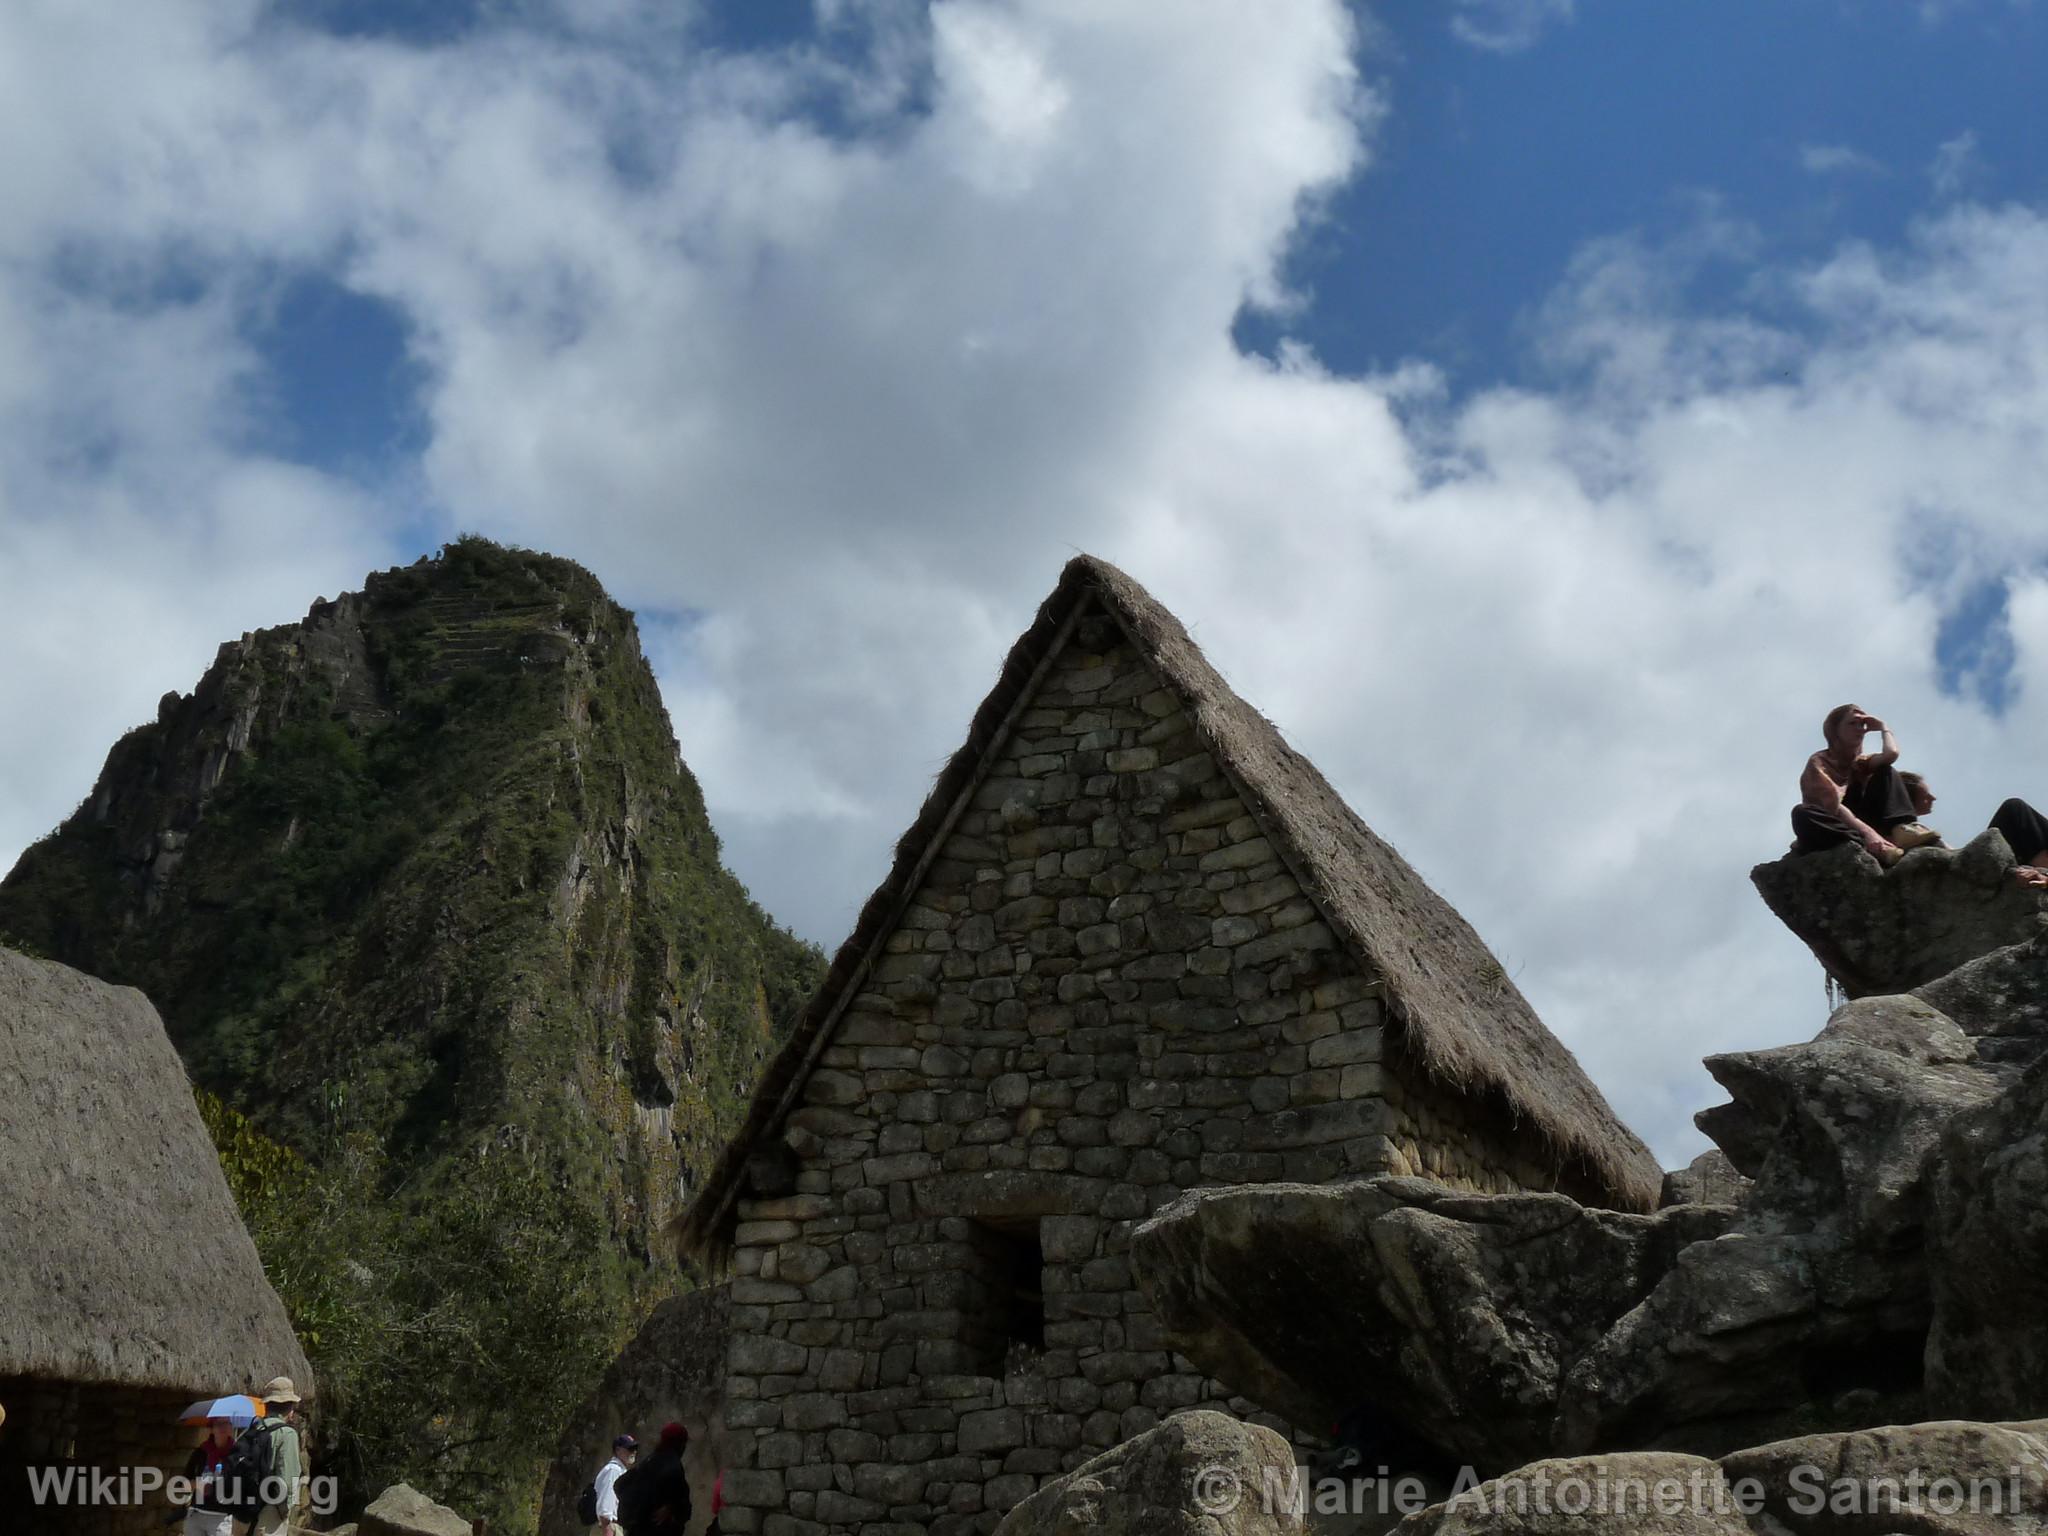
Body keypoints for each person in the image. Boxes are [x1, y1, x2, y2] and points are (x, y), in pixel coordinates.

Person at [1791, 705, 1938, 862]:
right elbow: (1834, 805)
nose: (1860, 729)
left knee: (1886, 770)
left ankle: (1901, 830)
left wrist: (1884, 728)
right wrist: (1868, 834)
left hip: (1864, 822)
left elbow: (1891, 754)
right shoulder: (1820, 762)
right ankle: (1874, 846)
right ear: (1835, 730)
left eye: (1862, 724)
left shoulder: (1860, 763)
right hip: (1840, 824)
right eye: (1852, 723)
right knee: (1802, 813)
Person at [616, 1421, 691, 1536]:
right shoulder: (673, 1466)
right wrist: (671, 1508)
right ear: (680, 1443)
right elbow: (683, 1507)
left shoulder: (649, 1461)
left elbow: (620, 1484)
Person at [252, 1377, 307, 1535]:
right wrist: (284, 1511)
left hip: (245, 1510)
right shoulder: (287, 1434)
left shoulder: (254, 1429)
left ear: (267, 1405)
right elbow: (287, 1480)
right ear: (290, 1407)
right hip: (270, 1511)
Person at [178, 1418, 240, 1536]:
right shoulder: (201, 1452)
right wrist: (196, 1485)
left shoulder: (237, 1454)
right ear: (211, 1429)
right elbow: (182, 1483)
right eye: (219, 1424)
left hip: (221, 1518)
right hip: (196, 1515)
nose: (223, 1427)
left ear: (231, 1428)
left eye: (227, 1423)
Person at [595, 1432, 638, 1535]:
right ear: (618, 1450)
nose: (633, 1452)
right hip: (609, 1527)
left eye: (635, 1448)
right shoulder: (614, 1470)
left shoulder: (620, 1471)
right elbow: (606, 1505)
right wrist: (607, 1529)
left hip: (613, 1527)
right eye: (630, 1448)